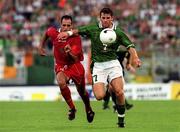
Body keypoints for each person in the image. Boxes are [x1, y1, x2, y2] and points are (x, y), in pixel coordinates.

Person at [57, 8, 141, 128]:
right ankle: (107, 84)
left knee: (119, 92)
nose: (105, 20)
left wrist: (136, 58)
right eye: (103, 17)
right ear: (100, 18)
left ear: (112, 18)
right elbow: (79, 31)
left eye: (108, 18)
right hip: (98, 66)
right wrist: (68, 33)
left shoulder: (118, 32)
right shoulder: (94, 28)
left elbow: (130, 46)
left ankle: (121, 120)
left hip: (113, 64)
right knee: (99, 96)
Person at [38, 15, 95, 123]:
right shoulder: (54, 33)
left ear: (72, 26)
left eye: (68, 25)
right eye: (64, 25)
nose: (66, 27)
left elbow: (75, 59)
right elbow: (47, 33)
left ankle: (88, 108)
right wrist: (41, 46)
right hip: (61, 65)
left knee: (82, 91)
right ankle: (72, 108)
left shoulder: (76, 38)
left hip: (74, 66)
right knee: (61, 82)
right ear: (61, 25)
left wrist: (69, 52)